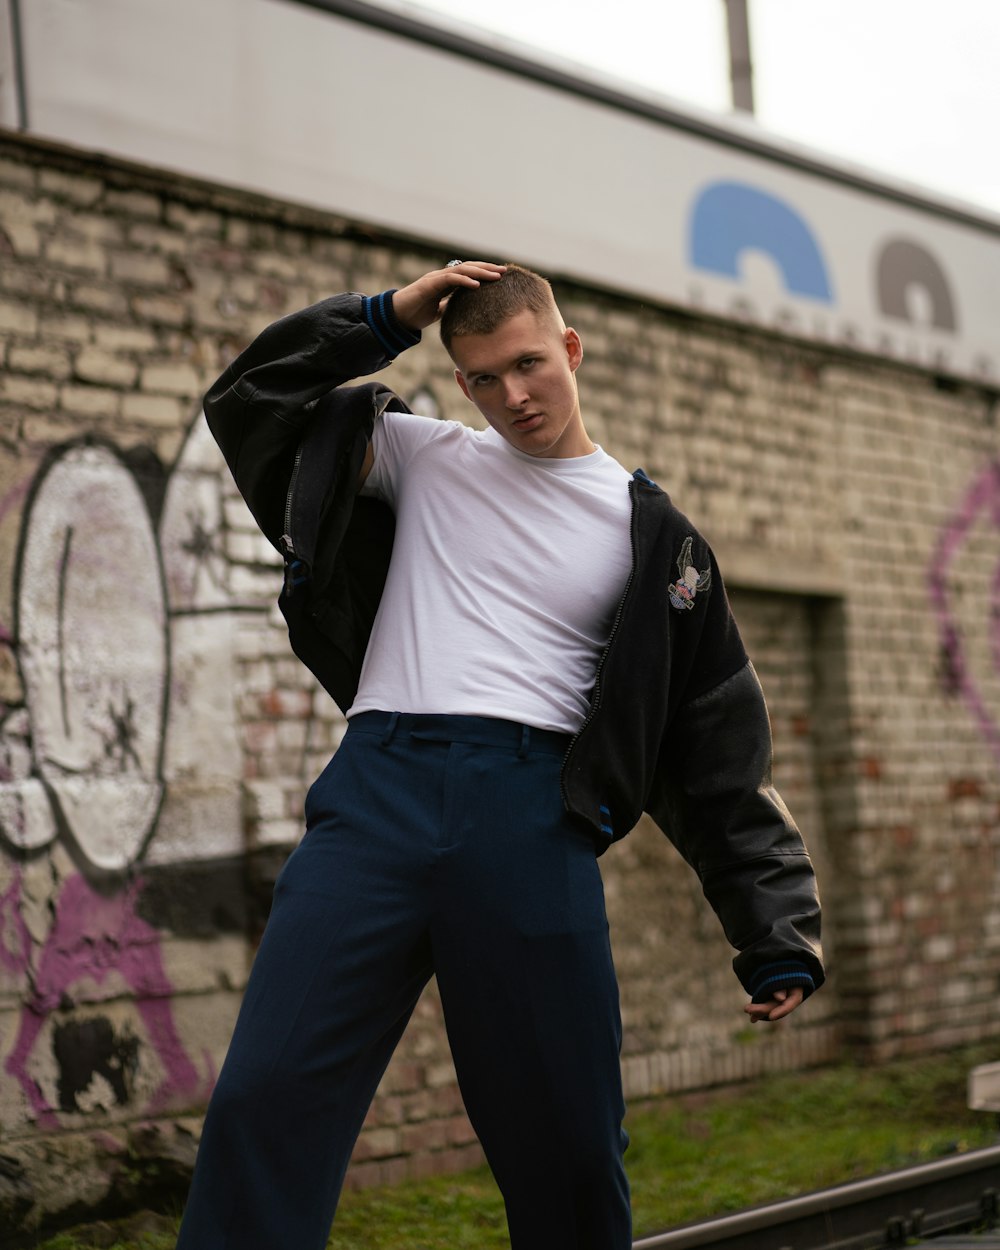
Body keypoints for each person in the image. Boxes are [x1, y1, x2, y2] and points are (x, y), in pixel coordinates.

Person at [175, 260, 824, 1250]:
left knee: (561, 1142)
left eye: (529, 364)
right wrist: (385, 317)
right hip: (374, 800)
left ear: (568, 349)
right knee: (266, 1095)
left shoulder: (657, 542)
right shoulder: (416, 456)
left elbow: (715, 745)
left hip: (529, 819)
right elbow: (249, 398)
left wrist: (773, 923)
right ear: (462, 381)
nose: (513, 395)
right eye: (483, 376)